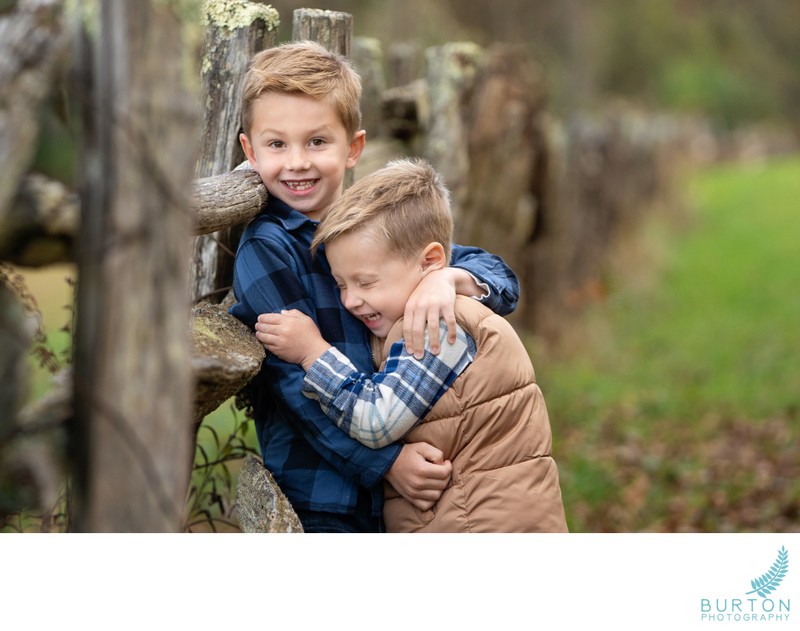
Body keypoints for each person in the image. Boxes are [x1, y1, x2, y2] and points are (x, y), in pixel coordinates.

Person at [229, 41, 521, 533]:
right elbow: (294, 387)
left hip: (404, 495)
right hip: (322, 491)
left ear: (354, 149)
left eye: (317, 142)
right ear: (249, 152)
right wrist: (387, 464)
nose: (297, 163)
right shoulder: (268, 248)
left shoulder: (372, 224)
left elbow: (501, 280)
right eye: (277, 144)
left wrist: (448, 277)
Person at [259, 158, 568, 533]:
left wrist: (312, 352)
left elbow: (376, 421)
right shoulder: (417, 309)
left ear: (431, 262)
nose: (350, 301)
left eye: (366, 283)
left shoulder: (436, 324)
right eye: (341, 284)